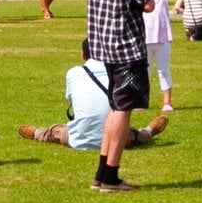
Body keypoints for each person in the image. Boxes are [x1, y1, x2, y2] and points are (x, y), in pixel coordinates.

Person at [84, 0, 156, 190]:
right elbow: (146, 1)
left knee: (115, 104)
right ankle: (111, 174)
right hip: (126, 41)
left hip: (102, 39)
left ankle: (102, 173)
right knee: (123, 108)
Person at [19, 52, 169, 151]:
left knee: (57, 132)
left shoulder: (73, 72)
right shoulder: (118, 73)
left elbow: (70, 99)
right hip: (115, 138)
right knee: (132, 134)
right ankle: (148, 132)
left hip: (80, 138)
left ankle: (37, 133)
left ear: (83, 55)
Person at [142, 0, 176, 113]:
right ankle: (142, 101)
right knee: (144, 72)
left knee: (164, 70)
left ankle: (167, 101)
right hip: (145, 39)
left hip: (162, 39)